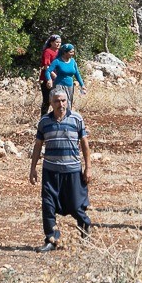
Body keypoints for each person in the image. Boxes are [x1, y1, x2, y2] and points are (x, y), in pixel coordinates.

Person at [29, 89, 93, 251]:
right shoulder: (44, 121)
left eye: (64, 100)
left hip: (72, 170)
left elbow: (84, 144)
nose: (61, 104)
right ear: (51, 103)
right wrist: (33, 168)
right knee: (48, 204)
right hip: (50, 171)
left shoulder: (76, 119)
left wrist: (88, 168)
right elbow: (38, 146)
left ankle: (85, 228)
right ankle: (51, 239)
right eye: (57, 101)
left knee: (75, 205)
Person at [44, 43, 87, 111]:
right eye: (71, 52)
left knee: (68, 105)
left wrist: (82, 85)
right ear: (64, 52)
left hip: (70, 86)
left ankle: (67, 120)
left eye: (73, 52)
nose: (73, 53)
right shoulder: (57, 61)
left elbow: (77, 74)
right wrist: (49, 79)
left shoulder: (72, 61)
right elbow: (48, 71)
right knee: (59, 104)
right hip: (59, 85)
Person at [38, 34, 62, 116]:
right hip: (46, 79)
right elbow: (46, 66)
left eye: (60, 42)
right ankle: (43, 118)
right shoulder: (47, 52)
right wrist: (53, 75)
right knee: (47, 100)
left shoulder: (59, 52)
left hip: (57, 79)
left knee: (58, 98)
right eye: (56, 42)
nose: (58, 44)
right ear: (51, 43)